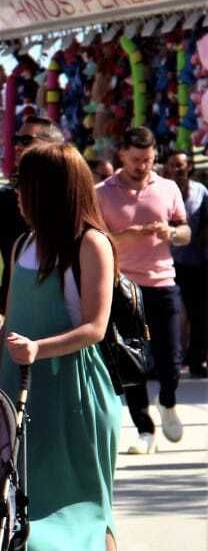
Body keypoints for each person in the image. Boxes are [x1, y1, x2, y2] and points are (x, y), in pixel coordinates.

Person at [0, 142, 119, 551]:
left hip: (72, 387)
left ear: (48, 191)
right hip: (19, 385)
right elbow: (8, 321)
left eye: (25, 187)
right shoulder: (25, 242)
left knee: (88, 503)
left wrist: (37, 350)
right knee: (29, 499)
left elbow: (94, 327)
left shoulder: (90, 245)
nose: (19, 197)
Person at [95, 126, 190, 454]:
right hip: (123, 287)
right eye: (136, 160)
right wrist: (128, 235)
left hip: (163, 281)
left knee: (171, 355)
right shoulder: (102, 192)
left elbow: (185, 231)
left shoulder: (167, 188)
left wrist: (172, 234)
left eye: (148, 160)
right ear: (122, 154)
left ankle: (168, 401)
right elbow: (96, 242)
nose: (143, 166)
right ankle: (144, 429)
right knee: (131, 360)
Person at [0, 116, 65, 306]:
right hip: (17, 303)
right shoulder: (3, 198)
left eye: (26, 141)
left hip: (66, 302)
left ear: (53, 146)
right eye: (15, 140)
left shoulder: (71, 192)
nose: (17, 147)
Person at [165, 148, 208, 378]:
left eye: (180, 165)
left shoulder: (201, 191)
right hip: (164, 264)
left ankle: (196, 361)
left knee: (198, 313)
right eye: (172, 164)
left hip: (193, 262)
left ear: (189, 166)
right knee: (166, 314)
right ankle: (163, 362)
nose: (177, 169)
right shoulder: (160, 191)